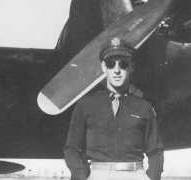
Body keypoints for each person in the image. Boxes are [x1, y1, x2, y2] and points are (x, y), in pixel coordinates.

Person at [64, 37, 164, 180]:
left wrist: (152, 177)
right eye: (111, 64)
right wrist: (82, 176)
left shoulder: (144, 107)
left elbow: (155, 150)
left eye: (123, 64)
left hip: (135, 174)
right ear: (104, 67)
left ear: (131, 67)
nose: (117, 70)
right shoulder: (86, 105)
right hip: (98, 175)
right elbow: (72, 148)